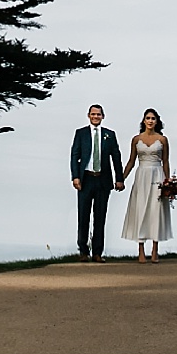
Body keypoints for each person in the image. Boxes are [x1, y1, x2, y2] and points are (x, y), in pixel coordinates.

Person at [70, 104, 124, 262]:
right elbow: (75, 155)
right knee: (83, 216)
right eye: (93, 114)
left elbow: (116, 157)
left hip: (103, 179)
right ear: (88, 115)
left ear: (103, 116)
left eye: (98, 114)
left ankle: (98, 252)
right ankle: (83, 251)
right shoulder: (81, 133)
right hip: (85, 179)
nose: (96, 117)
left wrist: (119, 179)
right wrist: (75, 177)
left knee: (100, 217)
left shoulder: (109, 135)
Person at [119, 108, 173, 263]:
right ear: (143, 121)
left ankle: (155, 250)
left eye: (153, 118)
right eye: (148, 118)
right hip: (141, 175)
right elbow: (131, 161)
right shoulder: (136, 139)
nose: (150, 121)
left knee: (155, 210)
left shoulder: (162, 140)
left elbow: (166, 161)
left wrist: (168, 182)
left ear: (157, 121)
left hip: (157, 175)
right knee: (141, 209)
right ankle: (141, 250)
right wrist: (121, 178)